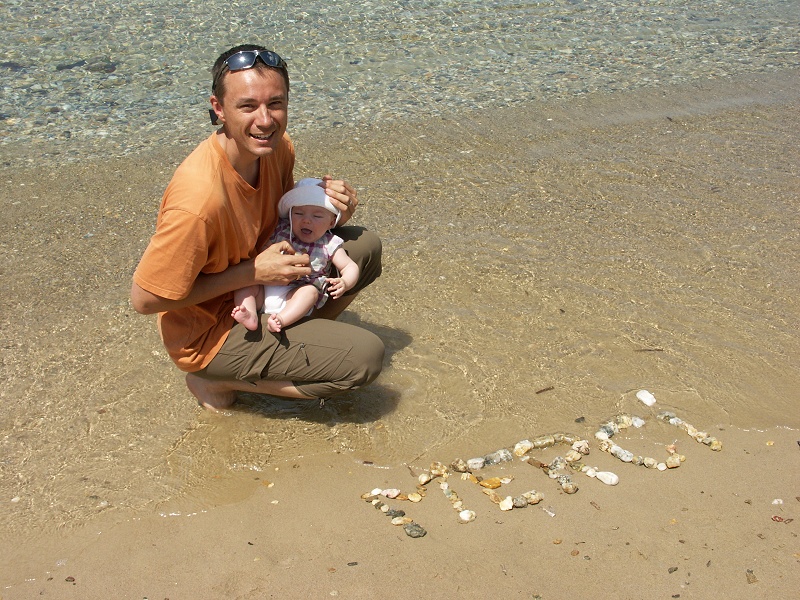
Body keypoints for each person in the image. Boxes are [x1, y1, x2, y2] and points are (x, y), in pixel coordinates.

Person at [130, 44, 384, 411]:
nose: (265, 121)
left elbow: (282, 223)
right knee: (365, 358)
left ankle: (293, 332)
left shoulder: (277, 149)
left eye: (275, 104)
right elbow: (145, 300)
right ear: (218, 108)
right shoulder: (198, 201)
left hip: (265, 287)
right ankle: (214, 381)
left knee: (364, 247)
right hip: (210, 332)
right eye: (247, 106)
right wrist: (252, 271)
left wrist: (333, 213)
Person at [231, 178, 360, 334]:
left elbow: (349, 266)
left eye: (317, 216)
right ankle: (249, 313)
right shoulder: (281, 230)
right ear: (290, 214)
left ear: (332, 223)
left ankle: (281, 319)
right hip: (264, 286)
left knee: (310, 293)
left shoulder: (329, 243)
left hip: (294, 296)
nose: (306, 220)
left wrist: (345, 282)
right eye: (299, 213)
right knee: (246, 283)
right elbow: (263, 248)